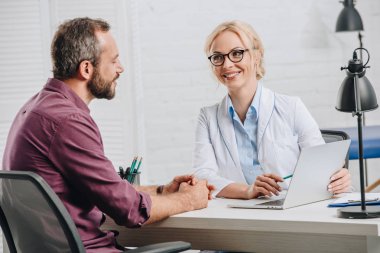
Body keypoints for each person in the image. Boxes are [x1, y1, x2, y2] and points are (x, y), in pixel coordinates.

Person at [2, 17, 213, 252]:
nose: (120, 68)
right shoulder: (68, 121)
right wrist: (188, 200)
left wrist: (162, 190)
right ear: (86, 69)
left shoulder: (36, 109)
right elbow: (128, 210)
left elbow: (107, 189)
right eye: (113, 61)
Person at [192, 20, 351, 200]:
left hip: (292, 212)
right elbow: (203, 176)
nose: (227, 64)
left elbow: (322, 168)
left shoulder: (292, 107)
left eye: (237, 53)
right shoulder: (208, 118)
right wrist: (247, 191)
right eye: (218, 57)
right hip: (238, 216)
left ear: (256, 56)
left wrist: (338, 179)